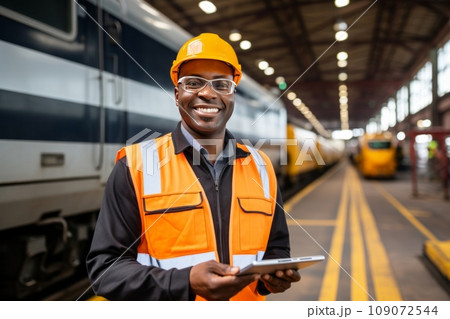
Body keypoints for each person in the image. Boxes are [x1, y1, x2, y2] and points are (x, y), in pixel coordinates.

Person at [86, 33, 300, 301]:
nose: (208, 93)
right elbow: (105, 271)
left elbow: (277, 248)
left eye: (221, 84)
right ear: (177, 94)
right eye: (193, 83)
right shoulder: (135, 166)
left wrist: (273, 279)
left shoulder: (261, 166)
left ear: (232, 95)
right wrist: (185, 282)